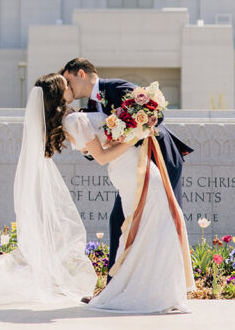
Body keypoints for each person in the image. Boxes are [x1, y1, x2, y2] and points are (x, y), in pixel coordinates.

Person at [0, 73, 193, 315]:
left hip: (133, 173)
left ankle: (155, 291)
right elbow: (102, 156)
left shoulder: (74, 118)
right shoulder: (73, 120)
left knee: (153, 229)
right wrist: (140, 133)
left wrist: (134, 127)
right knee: (158, 226)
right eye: (64, 84)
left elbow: (105, 143)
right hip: (132, 172)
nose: (69, 84)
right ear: (59, 95)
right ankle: (150, 292)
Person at [60, 58, 192, 272]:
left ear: (81, 73)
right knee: (118, 221)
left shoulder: (115, 87)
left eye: (68, 80)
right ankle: (116, 288)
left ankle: (169, 279)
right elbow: (99, 146)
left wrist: (124, 136)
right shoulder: (92, 106)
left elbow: (155, 115)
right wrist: (89, 148)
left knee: (165, 219)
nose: (67, 87)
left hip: (158, 158)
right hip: (132, 170)